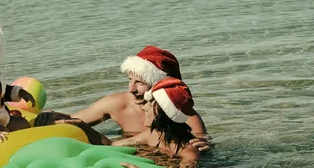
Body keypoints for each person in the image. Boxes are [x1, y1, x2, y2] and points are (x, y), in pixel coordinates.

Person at [36, 45, 211, 151]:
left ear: (161, 86)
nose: (131, 89)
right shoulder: (117, 103)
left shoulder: (186, 116)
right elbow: (74, 122)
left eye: (140, 83)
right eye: (129, 80)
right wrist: (52, 116)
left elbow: (199, 145)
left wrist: (202, 144)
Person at [58, 77, 200, 168]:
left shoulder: (189, 150)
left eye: (149, 104)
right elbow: (110, 146)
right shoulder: (151, 135)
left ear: (164, 113)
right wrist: (81, 125)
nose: (144, 107)